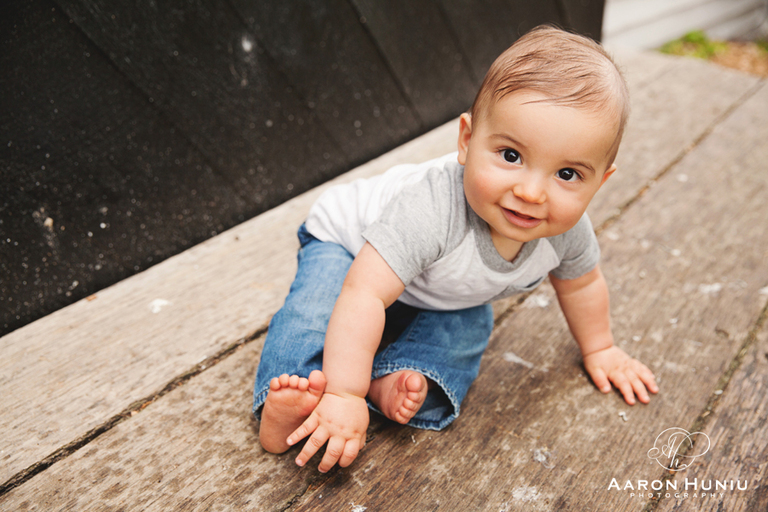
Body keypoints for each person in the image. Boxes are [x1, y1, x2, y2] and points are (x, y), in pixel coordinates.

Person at [251, 25, 658, 473]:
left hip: (441, 285)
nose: (531, 192)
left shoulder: (568, 232)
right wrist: (342, 392)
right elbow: (362, 294)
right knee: (313, 316)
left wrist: (600, 348)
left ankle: (387, 383)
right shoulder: (429, 209)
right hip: (349, 248)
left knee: (467, 330)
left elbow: (582, 286)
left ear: (600, 181)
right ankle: (290, 407)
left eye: (566, 175)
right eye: (510, 155)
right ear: (467, 140)